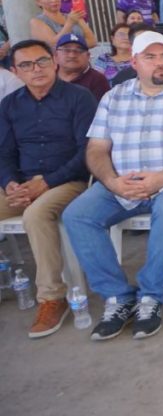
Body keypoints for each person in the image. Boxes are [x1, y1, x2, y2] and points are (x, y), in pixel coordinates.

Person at [63, 31, 163, 341]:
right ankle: (117, 296)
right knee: (77, 215)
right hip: (121, 181)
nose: (160, 64)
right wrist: (112, 182)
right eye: (150, 57)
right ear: (134, 62)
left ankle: (151, 296)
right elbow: (96, 149)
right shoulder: (114, 97)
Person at [0, 40, 97, 338]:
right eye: (26, 65)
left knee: (36, 214)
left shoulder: (80, 98)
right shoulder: (9, 104)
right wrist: (9, 183)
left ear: (54, 61)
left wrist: (47, 182)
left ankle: (52, 297)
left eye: (42, 61)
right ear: (15, 71)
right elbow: (4, 153)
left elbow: (87, 152)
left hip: (70, 181)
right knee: (25, 203)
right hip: (23, 183)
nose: (36, 69)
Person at [30, 0, 97, 48]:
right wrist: (69, 24)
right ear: (38, 2)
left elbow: (92, 41)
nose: (53, 0)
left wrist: (70, 47)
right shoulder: (37, 22)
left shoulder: (72, 16)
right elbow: (53, 45)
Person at [55, 33, 109, 101]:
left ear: (88, 56)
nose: (72, 55)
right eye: (66, 50)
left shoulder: (97, 80)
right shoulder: (47, 76)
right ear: (55, 55)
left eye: (79, 50)